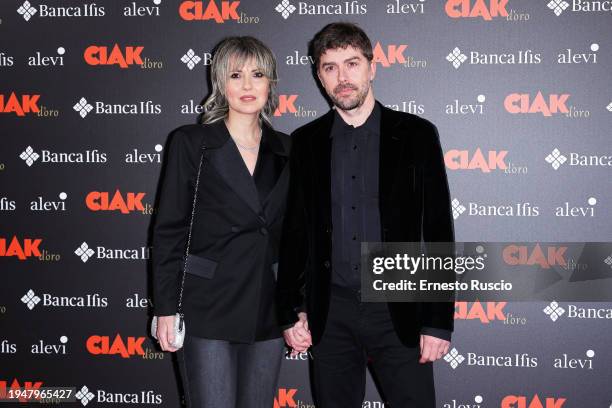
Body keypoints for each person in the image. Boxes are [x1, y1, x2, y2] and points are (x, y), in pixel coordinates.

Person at [277, 22, 455, 407]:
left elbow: (438, 229)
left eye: (352, 63)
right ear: (319, 77)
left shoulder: (416, 134)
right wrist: (291, 310)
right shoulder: (305, 143)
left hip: (400, 309)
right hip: (331, 312)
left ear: (372, 67)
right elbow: (294, 232)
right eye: (329, 67)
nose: (342, 77)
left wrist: (438, 321)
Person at [151, 36, 291, 408]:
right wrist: (165, 308)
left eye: (258, 74)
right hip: (207, 306)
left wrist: (300, 306)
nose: (247, 85)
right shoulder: (191, 142)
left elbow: (296, 238)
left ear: (270, 83)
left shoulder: (288, 149)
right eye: (236, 74)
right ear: (220, 83)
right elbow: (169, 230)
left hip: (269, 308)